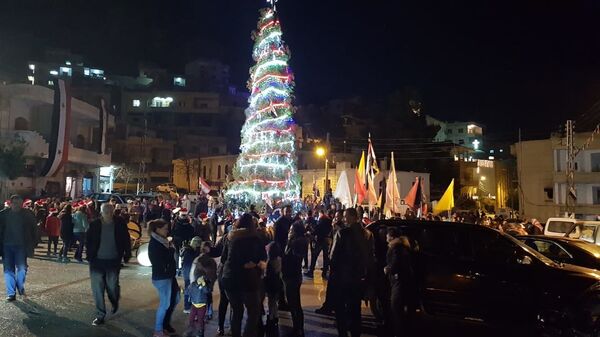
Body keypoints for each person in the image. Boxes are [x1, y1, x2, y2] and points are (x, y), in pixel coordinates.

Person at [330, 207, 375, 337]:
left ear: (353, 217)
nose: (344, 218)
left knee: (340, 309)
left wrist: (333, 275)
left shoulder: (342, 233)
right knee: (355, 309)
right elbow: (370, 258)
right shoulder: (368, 234)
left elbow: (333, 257)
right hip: (359, 278)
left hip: (343, 278)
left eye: (346, 216)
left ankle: (343, 333)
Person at [221, 213, 267, 337]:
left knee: (237, 311)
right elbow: (262, 257)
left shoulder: (230, 237)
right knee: (253, 312)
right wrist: (255, 264)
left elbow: (223, 258)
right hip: (248, 280)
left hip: (230, 278)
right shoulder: (255, 238)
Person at [86, 203, 131, 326]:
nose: (107, 214)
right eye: (105, 212)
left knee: (112, 286)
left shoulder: (119, 223)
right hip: (97, 261)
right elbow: (88, 240)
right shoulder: (94, 224)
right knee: (97, 289)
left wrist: (127, 253)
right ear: (101, 212)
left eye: (109, 212)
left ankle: (114, 300)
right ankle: (100, 314)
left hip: (113, 260)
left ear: (112, 212)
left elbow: (126, 239)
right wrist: (89, 255)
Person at [0, 195, 37, 301]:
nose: (17, 205)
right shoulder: (3, 214)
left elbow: (34, 229)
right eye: (15, 203)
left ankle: (20, 286)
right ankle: (11, 293)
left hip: (21, 246)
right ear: (11, 203)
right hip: (7, 246)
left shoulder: (27, 214)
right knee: (8, 270)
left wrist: (34, 243)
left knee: (22, 268)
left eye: (19, 203)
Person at [148, 219, 180, 337]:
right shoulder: (155, 243)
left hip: (169, 275)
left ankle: (165, 324)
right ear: (157, 229)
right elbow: (158, 261)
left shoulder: (163, 241)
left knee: (175, 298)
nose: (167, 231)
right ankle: (158, 330)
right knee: (165, 303)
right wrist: (170, 250)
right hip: (162, 276)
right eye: (165, 229)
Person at [385, 228, 417, 337]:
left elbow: (395, 264)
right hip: (403, 282)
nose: (386, 237)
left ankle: (399, 333)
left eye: (387, 235)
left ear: (392, 237)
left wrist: (388, 269)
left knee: (396, 308)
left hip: (399, 282)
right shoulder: (403, 247)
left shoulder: (396, 248)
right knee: (400, 309)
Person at [282, 220, 308, 337]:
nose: (289, 231)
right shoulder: (302, 241)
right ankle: (299, 328)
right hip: (296, 274)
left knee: (294, 303)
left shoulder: (294, 243)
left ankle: (297, 328)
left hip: (290, 275)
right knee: (296, 303)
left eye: (291, 230)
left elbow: (288, 258)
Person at [190, 241, 217, 320]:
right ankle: (208, 313)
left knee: (198, 298)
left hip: (198, 283)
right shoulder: (210, 261)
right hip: (205, 283)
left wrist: (193, 284)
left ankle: (198, 314)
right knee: (207, 297)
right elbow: (213, 274)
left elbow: (193, 272)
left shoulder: (197, 259)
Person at [305, 209, 332, 279]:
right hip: (326, 241)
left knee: (314, 256)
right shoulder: (329, 221)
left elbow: (317, 230)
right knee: (326, 257)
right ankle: (324, 273)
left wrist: (311, 233)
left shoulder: (322, 220)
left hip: (320, 241)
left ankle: (311, 272)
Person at [264, 239, 283, 333]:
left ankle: (271, 319)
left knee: (271, 302)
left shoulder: (269, 262)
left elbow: (267, 275)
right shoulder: (279, 259)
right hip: (277, 283)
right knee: (274, 301)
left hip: (271, 284)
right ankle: (275, 316)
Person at [181, 237, 202, 314]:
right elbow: (194, 261)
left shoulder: (187, 249)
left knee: (188, 288)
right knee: (189, 289)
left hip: (186, 271)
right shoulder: (190, 251)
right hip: (190, 272)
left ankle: (187, 306)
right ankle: (187, 307)